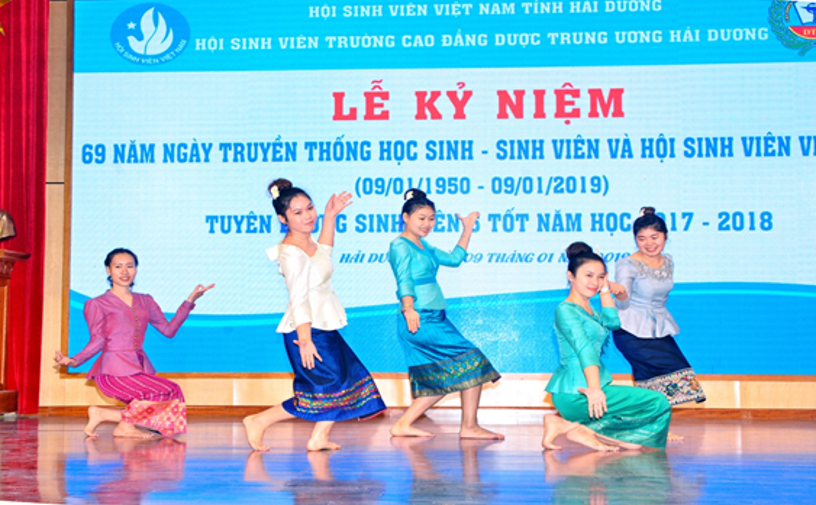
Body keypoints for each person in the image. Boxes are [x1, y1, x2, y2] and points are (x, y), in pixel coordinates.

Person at [243, 179, 386, 452]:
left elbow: (324, 254)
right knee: (321, 389)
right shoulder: (291, 253)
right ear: (283, 219)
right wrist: (306, 339)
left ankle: (319, 437)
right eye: (298, 212)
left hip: (322, 327)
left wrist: (330, 216)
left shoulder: (308, 243)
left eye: (310, 208)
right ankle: (259, 420)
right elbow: (298, 298)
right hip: (307, 331)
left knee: (343, 381)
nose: (308, 215)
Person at [54, 248, 214, 438]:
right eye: (118, 266)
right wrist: (74, 361)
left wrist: (190, 301)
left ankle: (104, 415)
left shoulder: (146, 300)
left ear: (136, 269)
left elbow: (168, 330)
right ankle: (122, 425)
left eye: (130, 266)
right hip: (114, 371)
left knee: (171, 395)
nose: (125, 271)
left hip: (139, 367)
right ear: (108, 270)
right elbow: (98, 339)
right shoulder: (96, 304)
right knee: (165, 390)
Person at [387, 189, 502, 439]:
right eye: (421, 218)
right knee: (471, 360)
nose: (427, 224)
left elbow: (454, 259)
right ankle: (465, 426)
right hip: (419, 317)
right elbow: (404, 279)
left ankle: (463, 426)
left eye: (431, 218)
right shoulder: (399, 245)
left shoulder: (424, 245)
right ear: (405, 217)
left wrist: (467, 228)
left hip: (435, 316)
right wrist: (408, 308)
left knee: (455, 371)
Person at [542, 242, 671, 452]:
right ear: (570, 276)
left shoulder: (590, 309)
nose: (594, 282)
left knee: (634, 445)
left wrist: (604, 290)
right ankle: (576, 427)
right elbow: (585, 350)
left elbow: (613, 322)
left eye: (600, 277)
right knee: (658, 402)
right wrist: (594, 389)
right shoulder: (565, 310)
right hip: (577, 392)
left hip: (593, 389)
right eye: (589, 275)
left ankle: (567, 425)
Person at [613, 208, 706, 408]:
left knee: (672, 374)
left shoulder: (668, 261)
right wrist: (619, 294)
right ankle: (645, 418)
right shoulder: (627, 265)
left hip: (658, 328)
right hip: (631, 330)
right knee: (657, 375)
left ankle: (649, 419)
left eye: (654, 237)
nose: (649, 243)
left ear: (665, 236)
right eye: (642, 238)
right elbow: (622, 303)